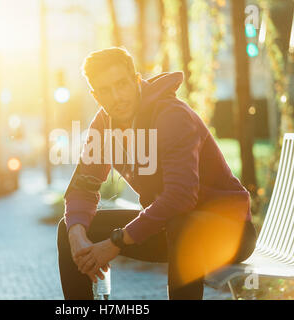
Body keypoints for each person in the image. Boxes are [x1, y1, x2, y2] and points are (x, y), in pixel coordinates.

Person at [56, 47, 257, 300]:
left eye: (121, 84)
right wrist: (77, 237)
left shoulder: (172, 115)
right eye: (106, 90)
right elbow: (82, 187)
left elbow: (180, 197)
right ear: (96, 95)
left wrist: (115, 243)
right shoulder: (104, 124)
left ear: (136, 80)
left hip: (230, 231)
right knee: (68, 227)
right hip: (169, 227)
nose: (117, 97)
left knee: (183, 224)